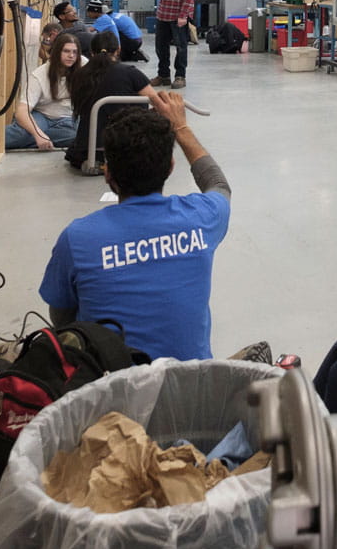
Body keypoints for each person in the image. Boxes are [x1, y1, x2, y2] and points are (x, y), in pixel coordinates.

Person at [39, 93, 231, 361]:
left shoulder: (79, 238)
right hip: (188, 386)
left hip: (109, 392)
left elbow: (61, 318)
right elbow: (218, 185)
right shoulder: (202, 217)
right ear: (170, 167)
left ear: (108, 174)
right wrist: (181, 128)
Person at [64, 28, 162, 170]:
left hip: (87, 146)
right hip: (125, 144)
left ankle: (101, 163)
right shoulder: (131, 73)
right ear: (118, 49)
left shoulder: (79, 75)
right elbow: (157, 102)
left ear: (92, 52)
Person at [8, 34, 83, 151]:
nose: (71, 56)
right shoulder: (39, 75)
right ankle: (35, 138)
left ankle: (34, 140)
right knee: (21, 134)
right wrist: (37, 134)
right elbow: (21, 111)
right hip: (41, 116)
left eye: (75, 52)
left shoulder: (82, 64)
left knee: (81, 137)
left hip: (68, 119)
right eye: (66, 51)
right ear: (57, 52)